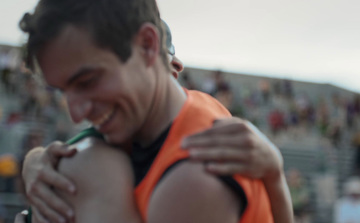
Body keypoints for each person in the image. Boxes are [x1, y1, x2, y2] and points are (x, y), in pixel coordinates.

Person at [16, 1, 292, 222]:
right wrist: (35, 159)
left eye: (88, 81)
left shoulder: (193, 181)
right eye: (63, 91)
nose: (76, 114)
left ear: (149, 45)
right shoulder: (187, 109)